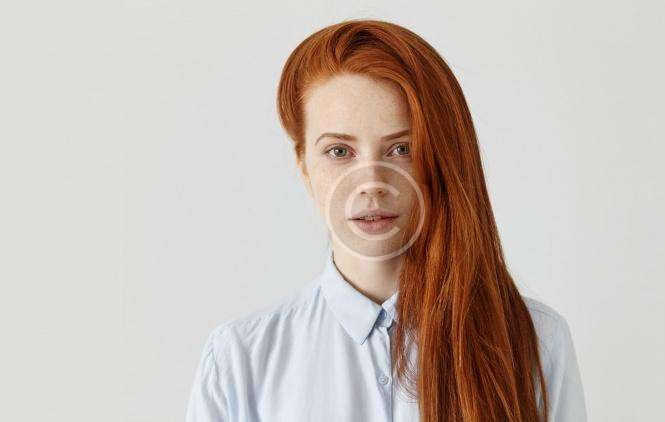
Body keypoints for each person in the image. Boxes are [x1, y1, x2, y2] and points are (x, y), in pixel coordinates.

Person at [186, 18, 587, 422]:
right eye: (339, 152)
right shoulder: (240, 361)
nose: (372, 184)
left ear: (442, 159)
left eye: (401, 149)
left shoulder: (536, 342)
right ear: (304, 167)